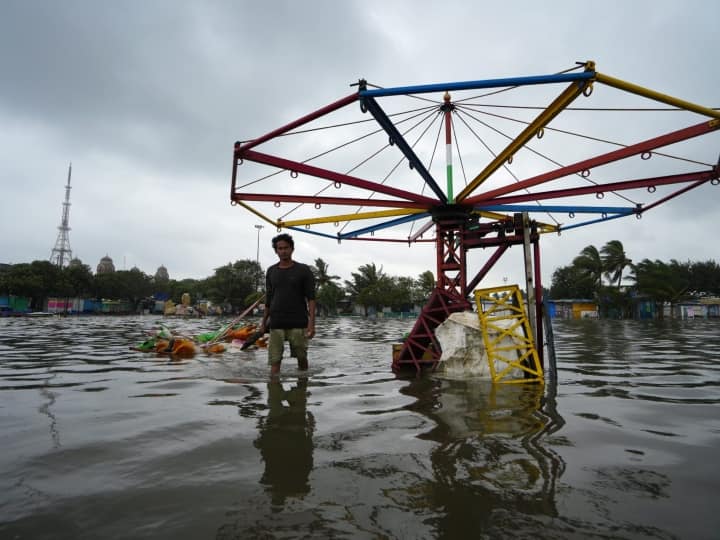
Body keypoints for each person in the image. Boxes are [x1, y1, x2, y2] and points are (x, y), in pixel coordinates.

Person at [259, 233, 316, 375]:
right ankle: (274, 391)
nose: (283, 251)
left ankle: (302, 386)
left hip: (298, 322)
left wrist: (311, 324)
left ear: (292, 249)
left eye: (286, 248)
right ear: (276, 251)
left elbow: (311, 298)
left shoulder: (303, 270)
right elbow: (269, 298)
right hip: (276, 322)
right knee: (274, 361)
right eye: (280, 248)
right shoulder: (271, 271)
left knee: (302, 358)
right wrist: (263, 322)